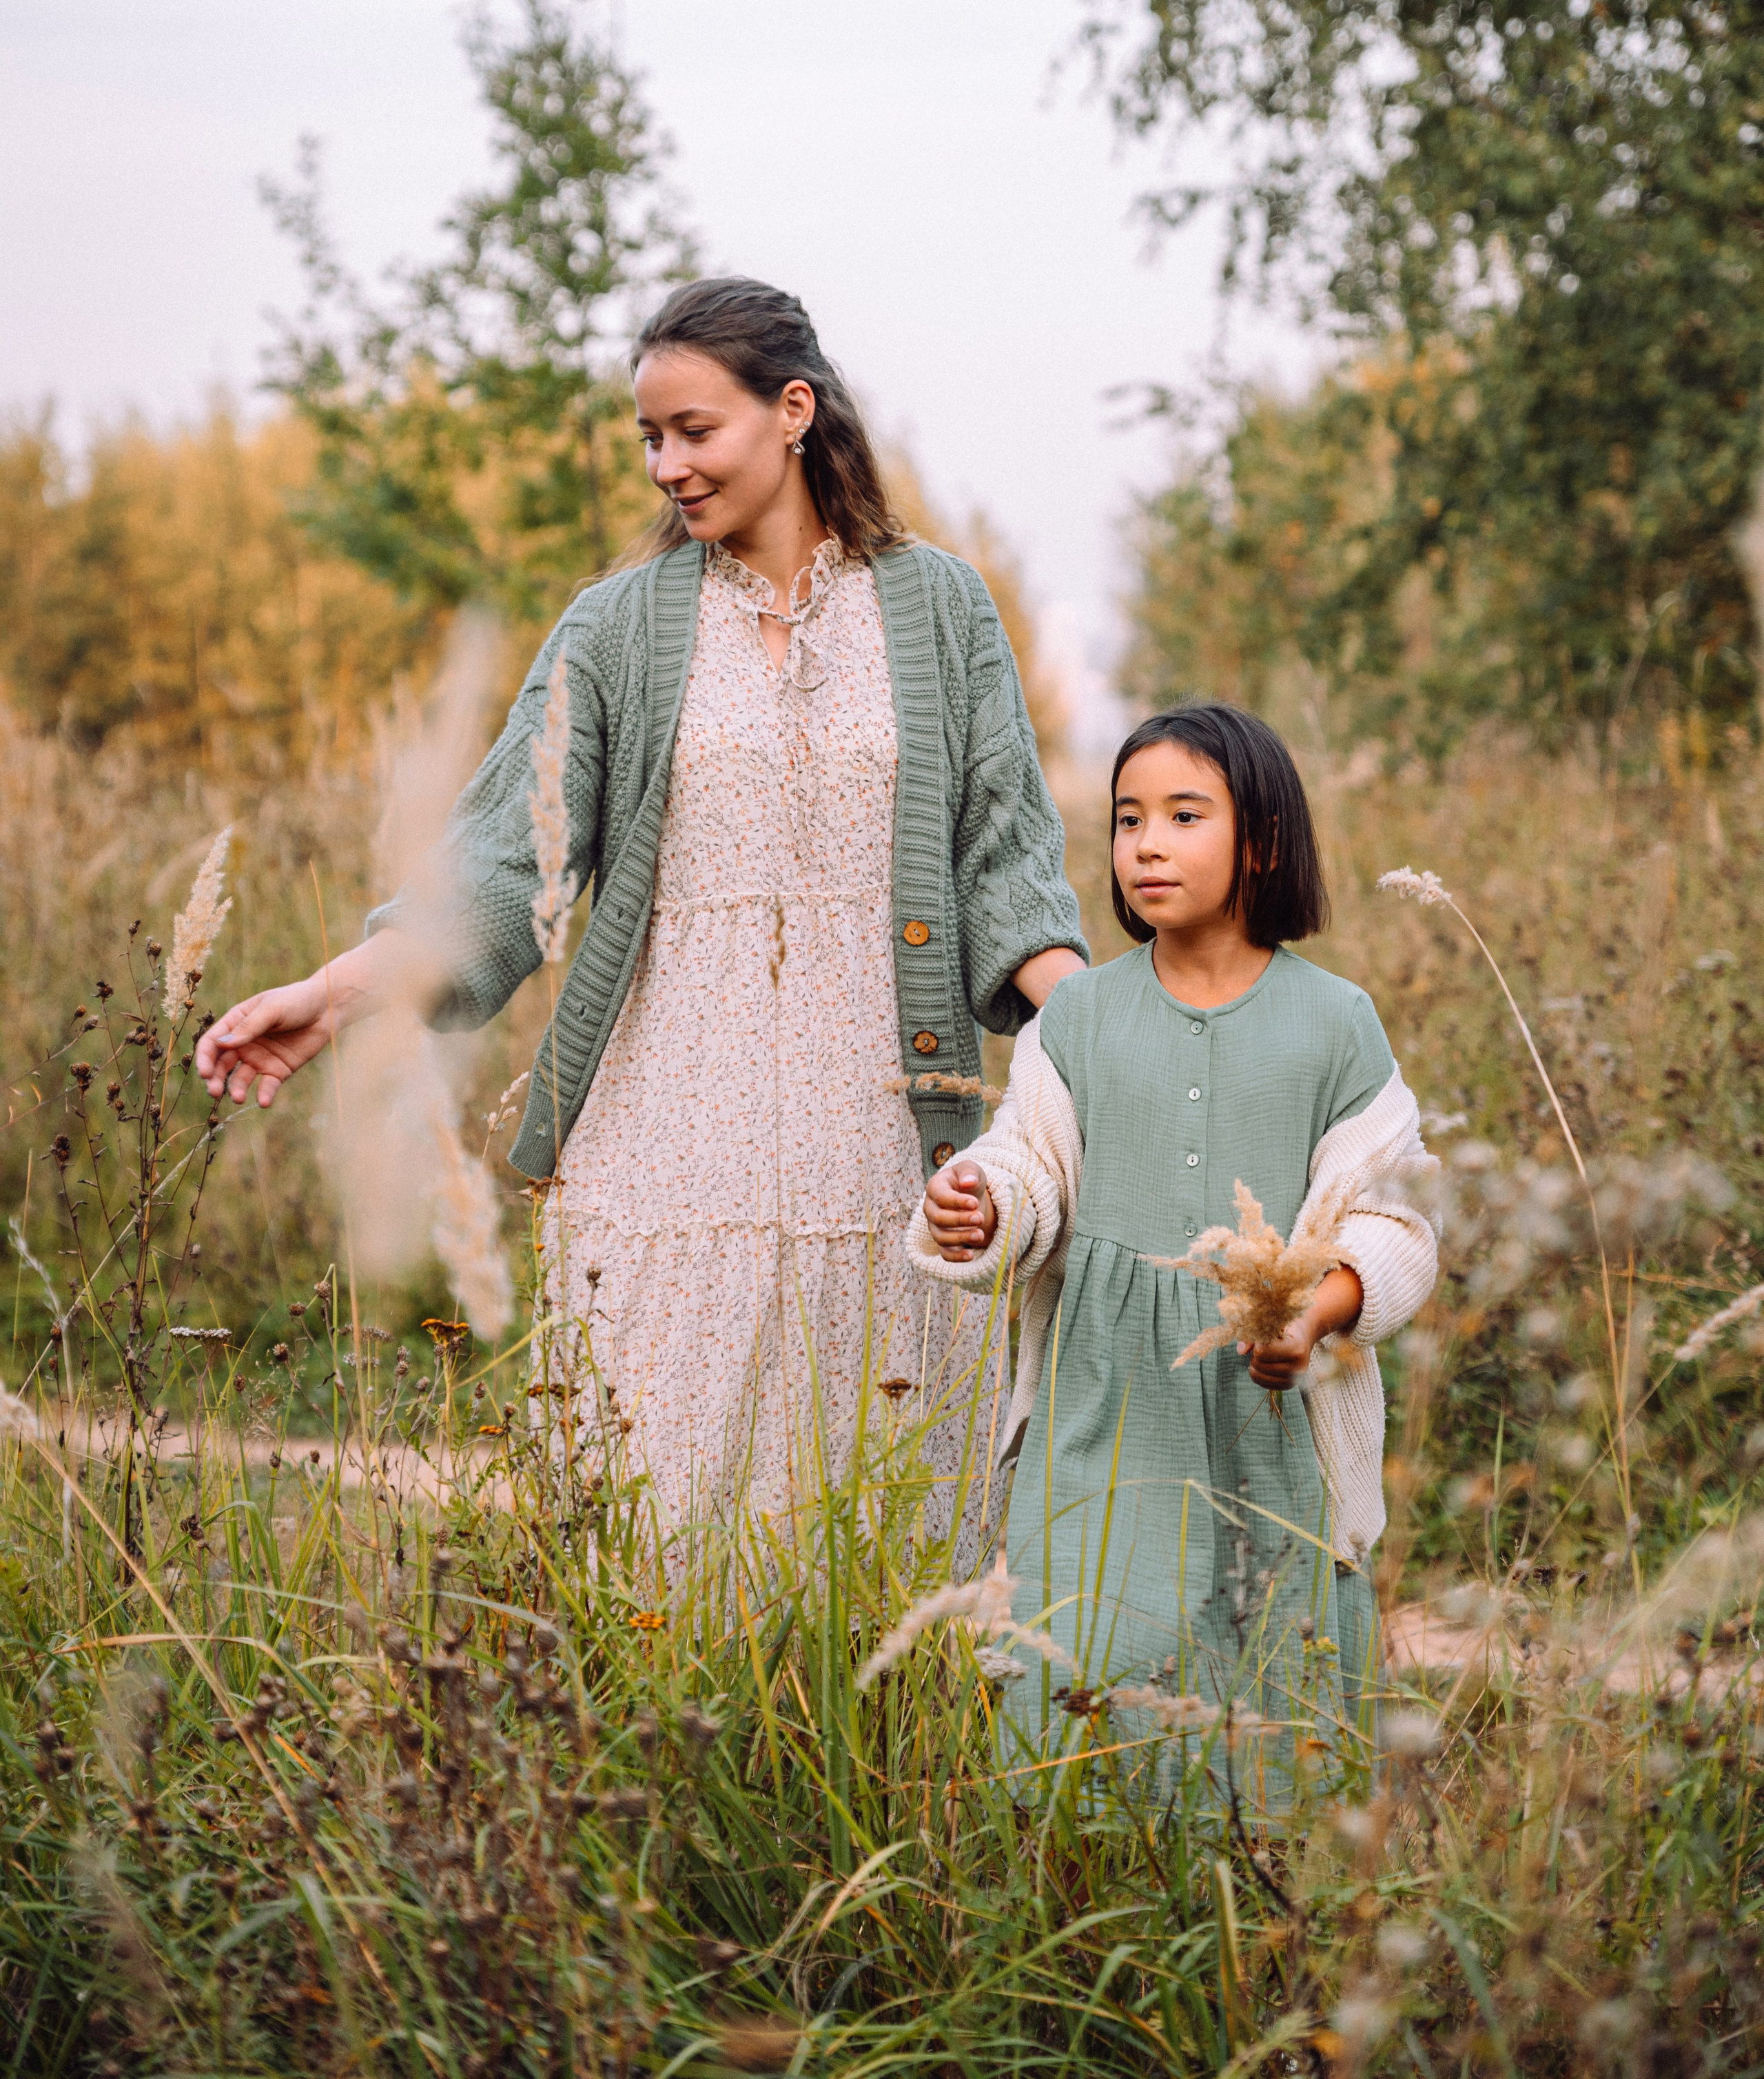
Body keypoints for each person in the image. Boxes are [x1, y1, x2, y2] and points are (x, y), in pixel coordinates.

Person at [196, 277, 1087, 1534]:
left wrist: (1108, 1032)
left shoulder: (941, 609)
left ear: (793, 412)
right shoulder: (615, 628)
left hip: (884, 1146)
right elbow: (503, 865)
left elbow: (1007, 861)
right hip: (663, 1142)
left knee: (886, 1524)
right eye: (650, 439)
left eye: (694, 430)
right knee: (663, 1522)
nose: (669, 465)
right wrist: (336, 995)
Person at [910, 703, 1438, 1749]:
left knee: (1270, 1654)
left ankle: (1263, 1883)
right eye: (1126, 819)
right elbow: (1031, 1158)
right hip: (1104, 1395)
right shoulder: (1081, 1016)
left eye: (1185, 815)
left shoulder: (1336, 1023)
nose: (1146, 843)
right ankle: (1087, 1862)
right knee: (1088, 1630)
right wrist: (982, 1204)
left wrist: (1318, 1312)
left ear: (1266, 841)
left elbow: (1394, 1217)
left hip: (1266, 1395)